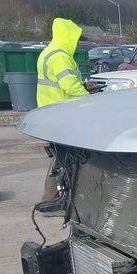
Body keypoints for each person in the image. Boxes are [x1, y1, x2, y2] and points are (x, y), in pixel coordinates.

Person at [34, 17, 96, 214]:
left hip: (51, 111)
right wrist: (89, 98)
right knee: (62, 158)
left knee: (61, 157)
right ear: (68, 36)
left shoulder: (48, 52)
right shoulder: (60, 56)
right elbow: (68, 84)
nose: (76, 42)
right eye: (75, 38)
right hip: (61, 114)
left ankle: (55, 197)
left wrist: (85, 86)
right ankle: (51, 199)